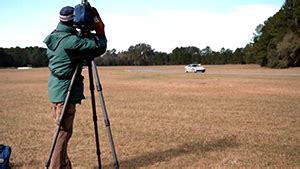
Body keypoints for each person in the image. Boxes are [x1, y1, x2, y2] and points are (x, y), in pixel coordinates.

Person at [43, 5, 107, 168]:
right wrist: (99, 27)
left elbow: (76, 41)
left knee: (62, 132)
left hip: (56, 90)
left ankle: (64, 165)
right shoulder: (71, 42)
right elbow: (99, 46)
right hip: (65, 92)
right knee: (62, 133)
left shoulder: (55, 36)